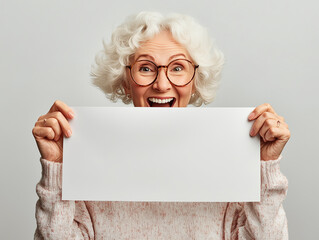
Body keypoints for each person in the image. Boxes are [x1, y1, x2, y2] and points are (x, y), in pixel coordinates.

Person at [32, 12, 291, 239]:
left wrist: (267, 168)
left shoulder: (231, 161)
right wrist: (55, 171)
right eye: (145, 68)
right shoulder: (88, 162)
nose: (162, 84)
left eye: (178, 67)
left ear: (195, 80)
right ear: (125, 81)